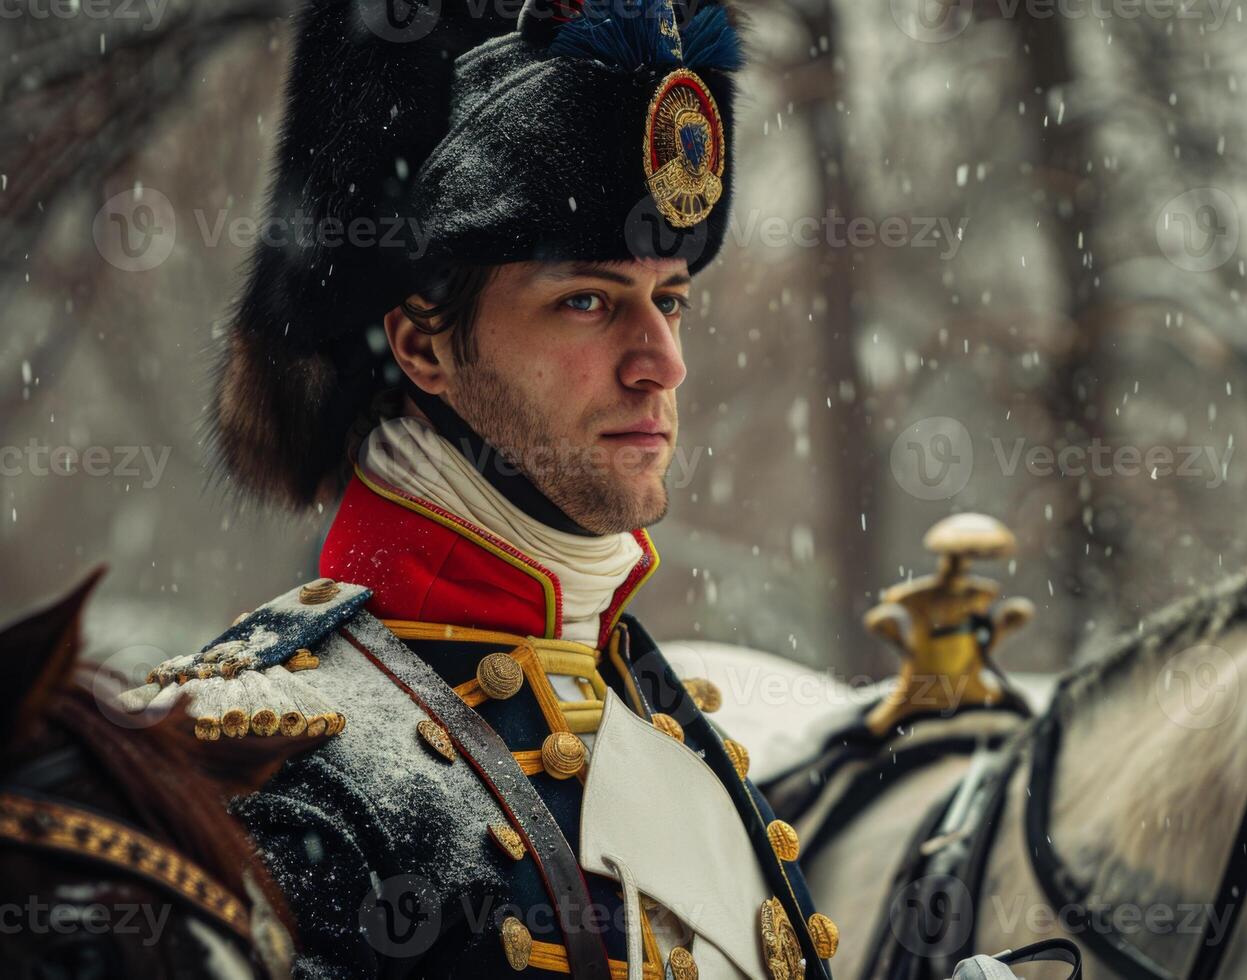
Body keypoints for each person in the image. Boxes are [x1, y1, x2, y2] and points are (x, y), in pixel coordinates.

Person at [122, 0, 841, 976]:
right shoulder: (264, 768)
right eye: (587, 300)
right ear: (422, 343)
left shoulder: (648, 698)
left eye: (669, 299)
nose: (662, 362)